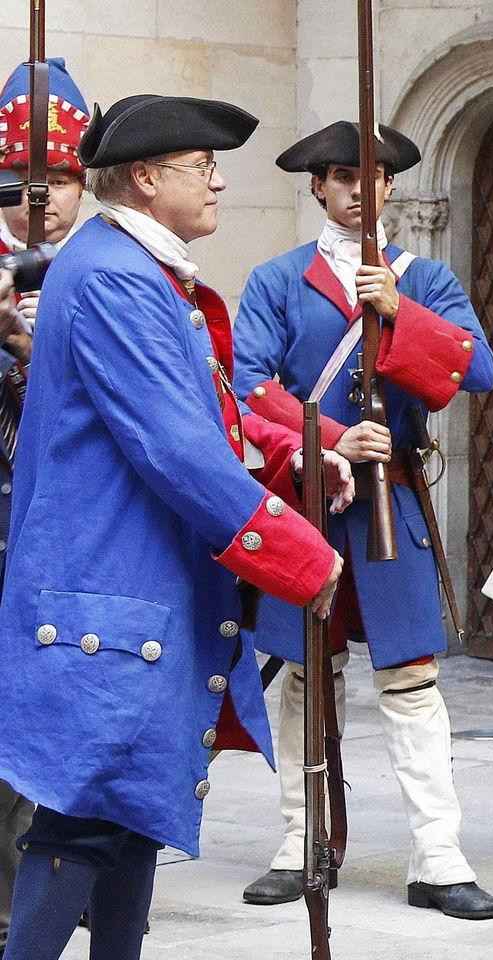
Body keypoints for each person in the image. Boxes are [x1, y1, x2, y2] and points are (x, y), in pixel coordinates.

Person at [0, 93, 345, 960]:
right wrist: (300, 556)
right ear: (148, 179)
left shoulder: (131, 267)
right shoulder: (117, 273)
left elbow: (204, 419)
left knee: (130, 818)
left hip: (136, 589)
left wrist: (286, 456)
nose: (221, 181)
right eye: (203, 167)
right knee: (83, 822)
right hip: (112, 592)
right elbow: (175, 446)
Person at [231, 121, 493, 920]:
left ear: (389, 189)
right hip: (311, 500)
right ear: (318, 187)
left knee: (412, 680)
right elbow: (247, 385)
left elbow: (478, 369)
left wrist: (400, 314)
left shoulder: (424, 278)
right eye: (343, 177)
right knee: (308, 678)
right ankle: (299, 840)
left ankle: (439, 855)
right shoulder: (278, 279)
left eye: (374, 177)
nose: (359, 189)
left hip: (395, 499)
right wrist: (329, 437)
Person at [0, 56, 91, 954]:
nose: (42, 199)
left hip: (77, 529)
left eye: (61, 179)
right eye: (25, 181)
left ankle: (75, 886)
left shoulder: (111, 269)